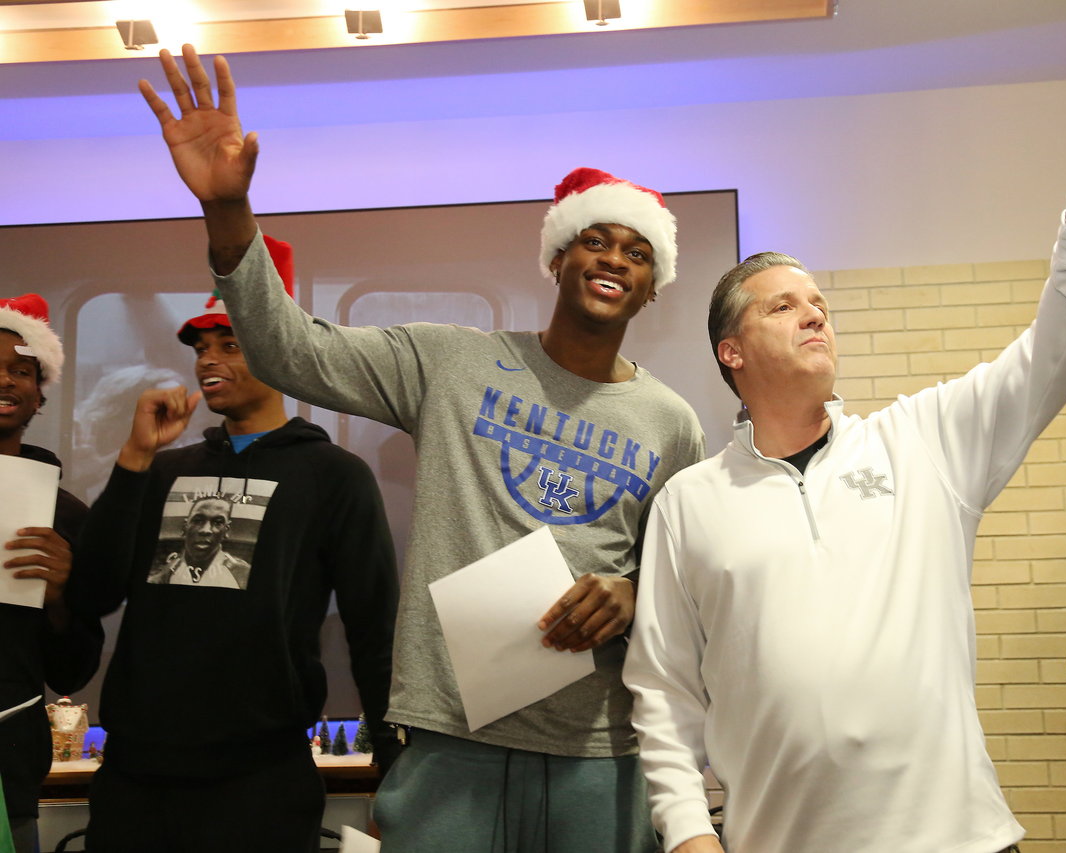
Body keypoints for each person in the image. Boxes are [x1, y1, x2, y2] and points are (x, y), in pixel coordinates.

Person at [137, 45, 704, 852]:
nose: (614, 259)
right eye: (596, 240)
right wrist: (229, 212)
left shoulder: (671, 420)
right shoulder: (451, 362)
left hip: (598, 751)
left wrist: (632, 592)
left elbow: (688, 585)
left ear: (653, 286)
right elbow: (291, 350)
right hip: (451, 736)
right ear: (558, 256)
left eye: (637, 252)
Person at [622, 125, 1066, 853]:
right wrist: (685, 833)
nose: (815, 314)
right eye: (784, 306)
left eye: (820, 303)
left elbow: (1058, 348)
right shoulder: (689, 503)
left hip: (958, 837)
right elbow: (664, 688)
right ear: (730, 352)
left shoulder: (922, 441)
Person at [64, 240, 401, 853]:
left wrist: (396, 764)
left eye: (230, 343)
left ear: (278, 349)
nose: (206, 361)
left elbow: (374, 628)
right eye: (200, 347)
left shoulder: (334, 475)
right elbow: (91, 594)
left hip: (261, 780)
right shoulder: (164, 469)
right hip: (136, 775)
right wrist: (135, 459)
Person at [0, 294, 103, 853]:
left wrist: (62, 598)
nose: (6, 381)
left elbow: (73, 672)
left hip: (9, 762)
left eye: (21, 370)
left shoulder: (66, 517)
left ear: (39, 396)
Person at [147, 494, 250, 588]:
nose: (205, 530)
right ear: (185, 527)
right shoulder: (162, 576)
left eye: (217, 523)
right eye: (198, 521)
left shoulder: (243, 575)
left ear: (226, 530)